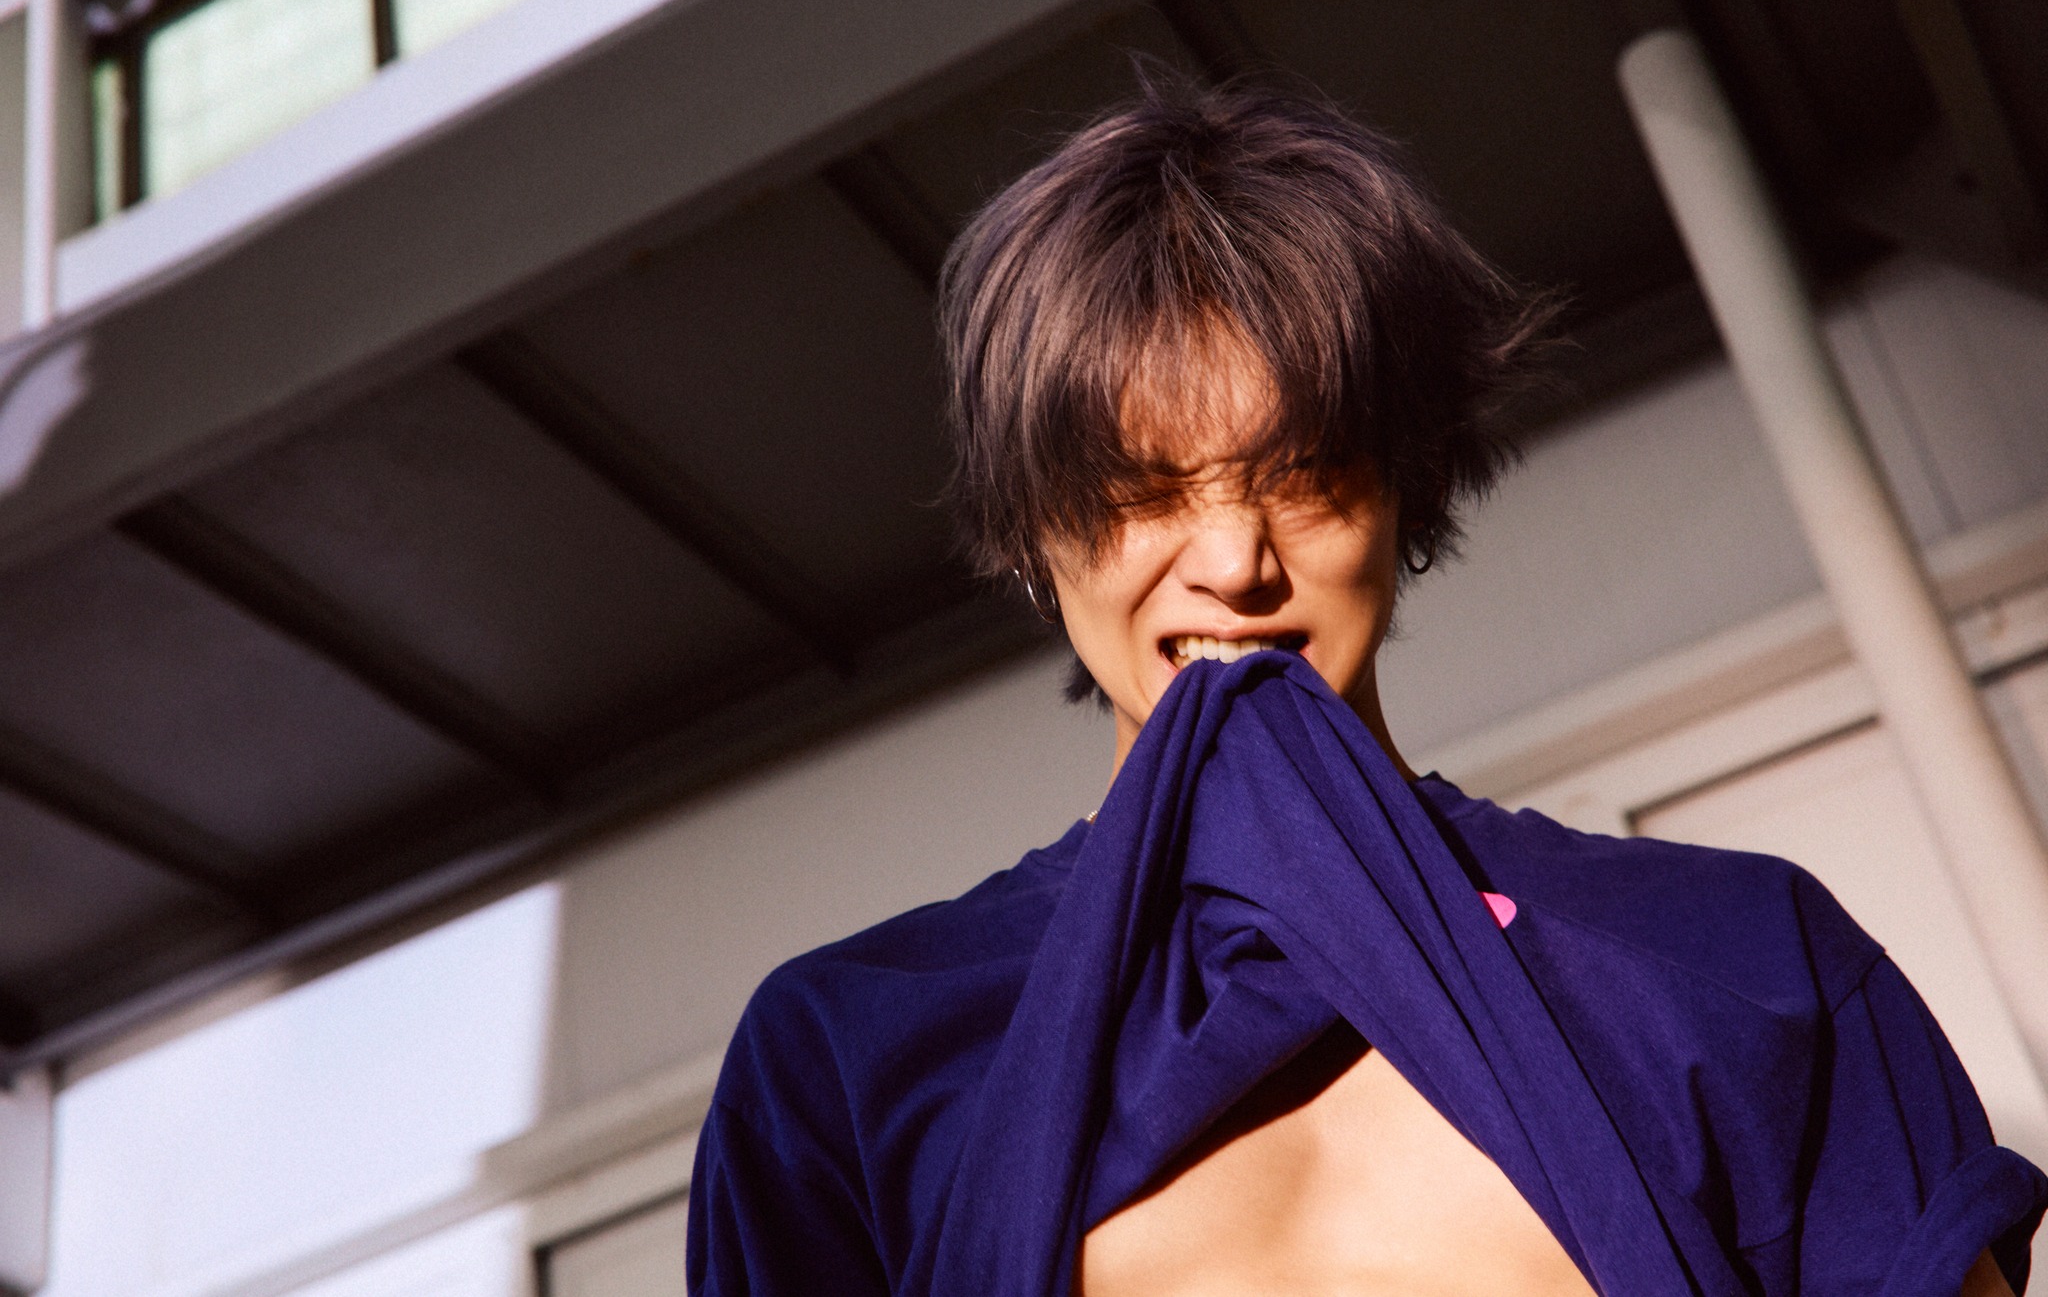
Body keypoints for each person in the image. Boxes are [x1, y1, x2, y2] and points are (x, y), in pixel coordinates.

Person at [686, 78, 2046, 1296]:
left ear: (1406, 491)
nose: (1233, 561)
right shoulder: (852, 1057)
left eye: (1303, 475)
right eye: (1146, 493)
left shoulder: (1742, 962)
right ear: (1037, 540)